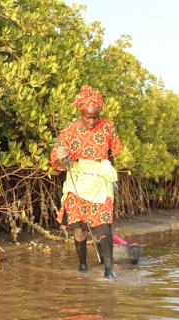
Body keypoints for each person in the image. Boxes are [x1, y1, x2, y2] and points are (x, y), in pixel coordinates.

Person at [50, 85, 122, 279]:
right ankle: (82, 266)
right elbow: (58, 161)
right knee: (80, 228)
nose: (92, 121)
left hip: (100, 182)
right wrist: (62, 157)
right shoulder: (68, 132)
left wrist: (113, 179)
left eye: (95, 117)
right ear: (80, 112)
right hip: (77, 184)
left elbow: (113, 154)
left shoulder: (107, 126)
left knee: (104, 227)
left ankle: (109, 271)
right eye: (87, 117)